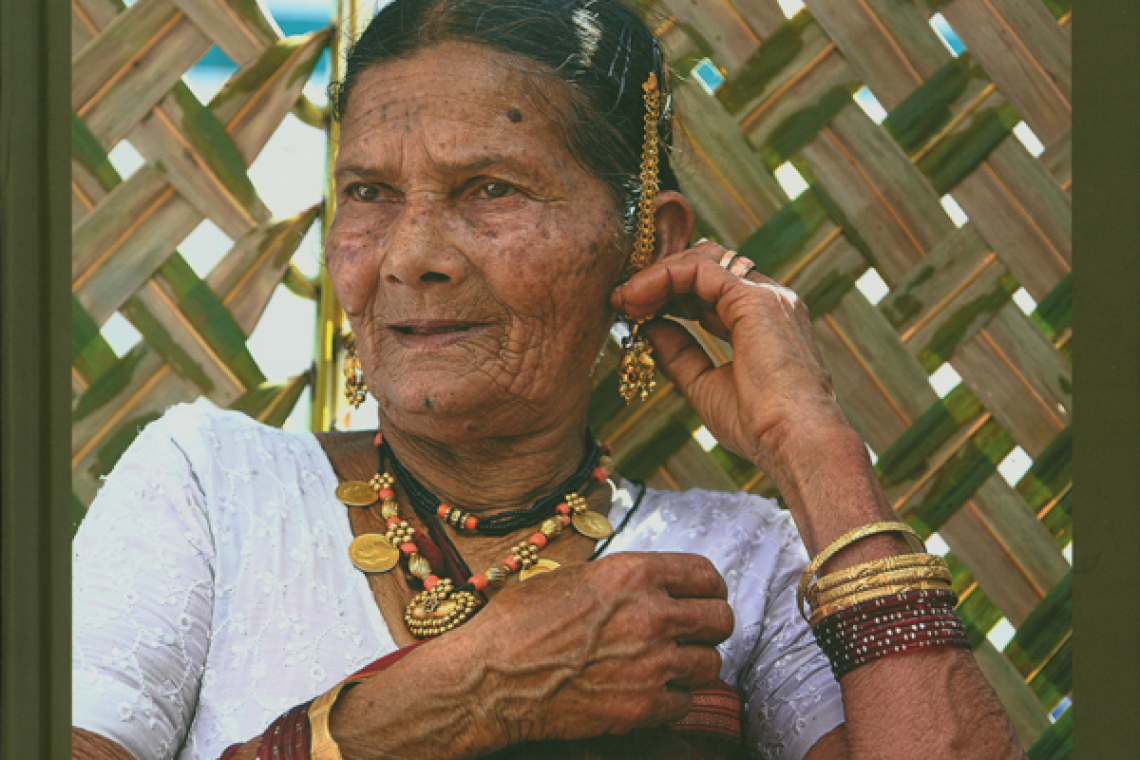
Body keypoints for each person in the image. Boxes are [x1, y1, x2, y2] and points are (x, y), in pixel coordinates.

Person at [72, 1, 1027, 759]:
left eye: (490, 189)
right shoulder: (210, 486)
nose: (409, 257)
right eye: (369, 191)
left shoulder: (743, 567)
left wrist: (815, 448)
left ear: (647, 243)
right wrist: (465, 694)